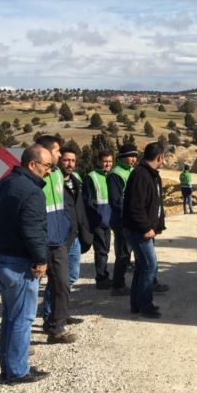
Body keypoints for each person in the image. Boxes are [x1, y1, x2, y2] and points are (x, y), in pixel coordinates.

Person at [0, 144, 51, 384]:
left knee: (10, 318)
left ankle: (9, 366)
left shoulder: (2, 184)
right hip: (19, 264)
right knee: (23, 319)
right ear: (32, 164)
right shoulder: (32, 192)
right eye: (46, 166)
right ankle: (17, 371)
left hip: (1, 258)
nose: (49, 171)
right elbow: (33, 230)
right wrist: (41, 260)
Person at [42, 146, 92, 324]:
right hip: (61, 234)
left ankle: (61, 311)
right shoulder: (51, 180)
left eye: (73, 160)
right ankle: (51, 315)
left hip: (76, 234)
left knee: (71, 276)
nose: (70, 164)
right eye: (66, 160)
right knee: (57, 278)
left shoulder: (77, 179)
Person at [35, 135, 77, 344]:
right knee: (30, 290)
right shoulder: (35, 175)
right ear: (45, 151)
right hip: (39, 241)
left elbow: (65, 205)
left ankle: (56, 327)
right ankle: (23, 336)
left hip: (59, 241)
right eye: (57, 151)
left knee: (62, 283)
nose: (60, 155)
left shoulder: (58, 174)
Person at [122, 142, 166, 318]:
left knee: (142, 267)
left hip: (144, 230)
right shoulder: (141, 174)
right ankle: (146, 305)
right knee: (150, 266)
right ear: (160, 157)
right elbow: (135, 207)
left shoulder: (151, 174)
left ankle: (136, 304)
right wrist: (146, 228)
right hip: (139, 231)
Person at [108, 143, 139, 295]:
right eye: (131, 156)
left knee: (130, 252)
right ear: (123, 157)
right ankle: (117, 286)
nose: (134, 159)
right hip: (122, 221)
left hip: (131, 219)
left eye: (135, 156)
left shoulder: (130, 171)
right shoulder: (116, 174)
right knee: (122, 253)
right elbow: (116, 201)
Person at [84, 150, 115, 290]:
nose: (107, 164)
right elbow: (87, 201)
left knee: (106, 249)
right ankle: (101, 278)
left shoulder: (112, 176)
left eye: (109, 161)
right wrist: (95, 219)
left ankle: (104, 275)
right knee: (101, 250)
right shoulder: (91, 177)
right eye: (105, 161)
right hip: (99, 221)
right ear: (99, 162)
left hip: (110, 220)